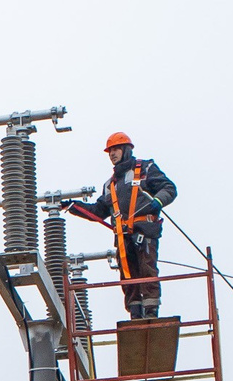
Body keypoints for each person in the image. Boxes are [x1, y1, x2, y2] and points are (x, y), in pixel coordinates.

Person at [67, 132, 178, 318]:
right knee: (128, 276)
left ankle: (151, 312)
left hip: (145, 229)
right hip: (123, 236)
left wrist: (158, 201)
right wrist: (75, 207)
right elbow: (98, 210)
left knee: (147, 270)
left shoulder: (145, 168)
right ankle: (135, 313)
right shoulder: (111, 184)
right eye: (110, 151)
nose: (112, 154)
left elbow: (169, 188)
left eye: (116, 149)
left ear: (126, 150)